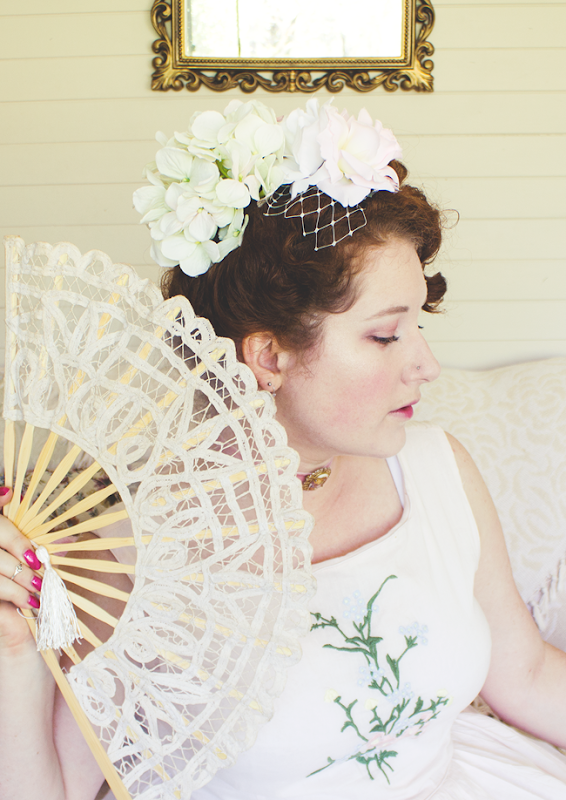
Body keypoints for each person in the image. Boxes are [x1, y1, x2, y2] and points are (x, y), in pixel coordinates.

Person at [1, 99, 565, 800]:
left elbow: (529, 676)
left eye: (420, 322)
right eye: (386, 335)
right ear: (268, 354)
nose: (426, 365)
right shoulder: (135, 547)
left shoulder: (437, 467)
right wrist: (17, 656)